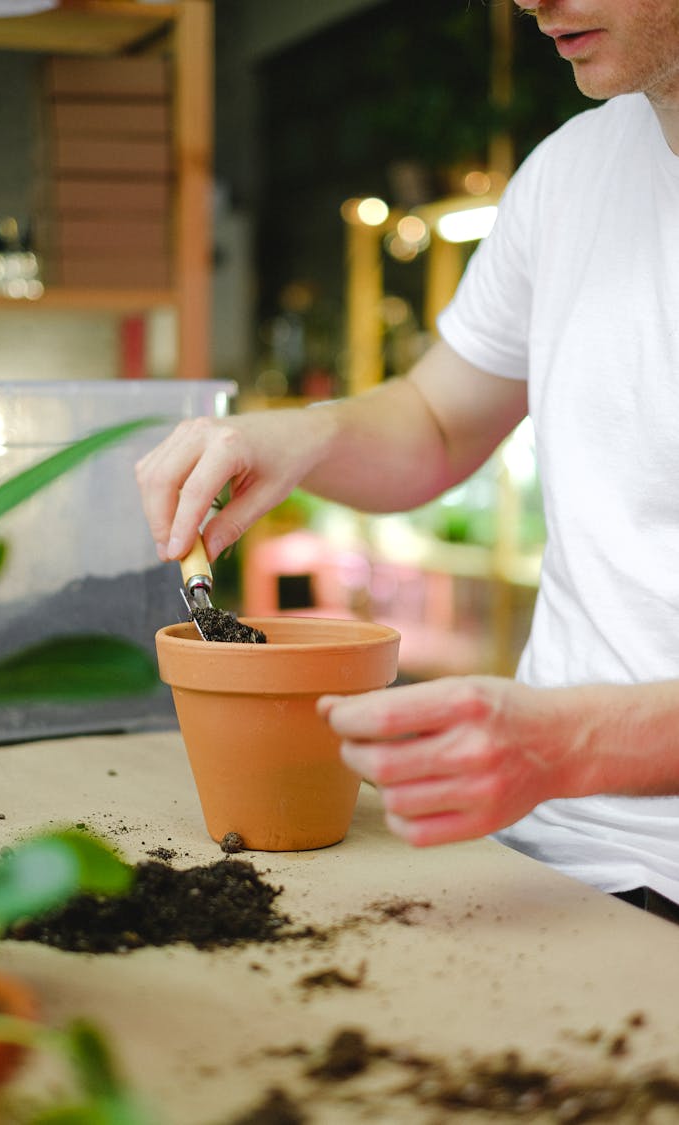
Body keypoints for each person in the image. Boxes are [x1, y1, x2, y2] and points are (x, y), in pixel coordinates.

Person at [136, 0, 679, 920]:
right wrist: (299, 435)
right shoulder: (570, 173)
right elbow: (435, 419)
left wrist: (573, 742)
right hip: (536, 851)